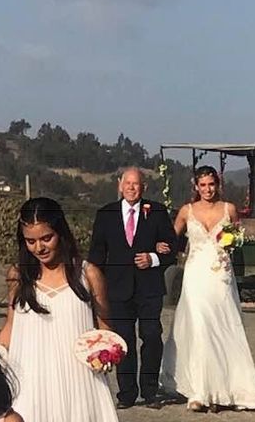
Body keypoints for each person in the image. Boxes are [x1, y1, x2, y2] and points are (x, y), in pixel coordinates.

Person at [0, 197, 119, 422]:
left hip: (79, 385)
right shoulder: (18, 276)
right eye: (30, 241)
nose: (39, 247)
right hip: (30, 383)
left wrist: (106, 354)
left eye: (46, 238)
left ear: (61, 232)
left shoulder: (88, 274)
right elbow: (11, 327)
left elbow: (104, 327)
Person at [157, 165, 255, 412]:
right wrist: (160, 246)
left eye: (211, 184)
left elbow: (237, 236)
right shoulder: (187, 211)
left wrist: (232, 242)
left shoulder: (229, 209)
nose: (207, 189)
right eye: (203, 185)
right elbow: (172, 237)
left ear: (218, 185)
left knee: (222, 326)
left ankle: (225, 387)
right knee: (198, 327)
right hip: (195, 275)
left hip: (220, 276)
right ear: (196, 186)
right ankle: (198, 391)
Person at [88, 167, 177, 410]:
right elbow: (96, 253)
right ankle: (126, 393)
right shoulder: (105, 214)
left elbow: (173, 247)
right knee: (123, 341)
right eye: (127, 183)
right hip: (117, 290)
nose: (131, 187)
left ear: (143, 187)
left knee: (150, 336)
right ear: (119, 185)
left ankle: (149, 390)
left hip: (149, 288)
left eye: (136, 184)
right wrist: (93, 283)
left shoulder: (156, 212)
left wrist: (153, 258)